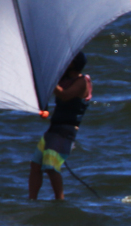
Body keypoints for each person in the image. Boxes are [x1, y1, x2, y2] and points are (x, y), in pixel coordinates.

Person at [28, 52, 92, 200]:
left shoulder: (82, 81)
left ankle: (60, 200)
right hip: (53, 129)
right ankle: (31, 200)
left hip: (66, 131)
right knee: (35, 165)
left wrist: (51, 80)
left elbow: (64, 95)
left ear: (74, 64)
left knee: (51, 167)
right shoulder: (64, 79)